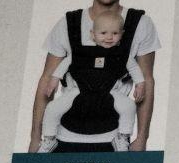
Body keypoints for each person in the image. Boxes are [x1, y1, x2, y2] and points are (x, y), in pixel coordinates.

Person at [28, 0, 159, 153]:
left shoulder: (139, 23)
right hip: (63, 134)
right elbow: (47, 79)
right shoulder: (69, 23)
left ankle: (123, 136)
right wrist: (35, 139)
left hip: (114, 138)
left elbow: (147, 79)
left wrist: (141, 139)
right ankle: (48, 139)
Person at [35, 9, 149, 153]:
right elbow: (65, 63)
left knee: (129, 106)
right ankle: (49, 139)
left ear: (122, 34)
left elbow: (134, 69)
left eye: (115, 33)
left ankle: (122, 137)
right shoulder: (80, 53)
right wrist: (54, 80)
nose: (109, 37)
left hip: (110, 92)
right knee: (52, 108)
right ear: (92, 34)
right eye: (103, 33)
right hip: (78, 91)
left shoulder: (123, 56)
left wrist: (140, 84)